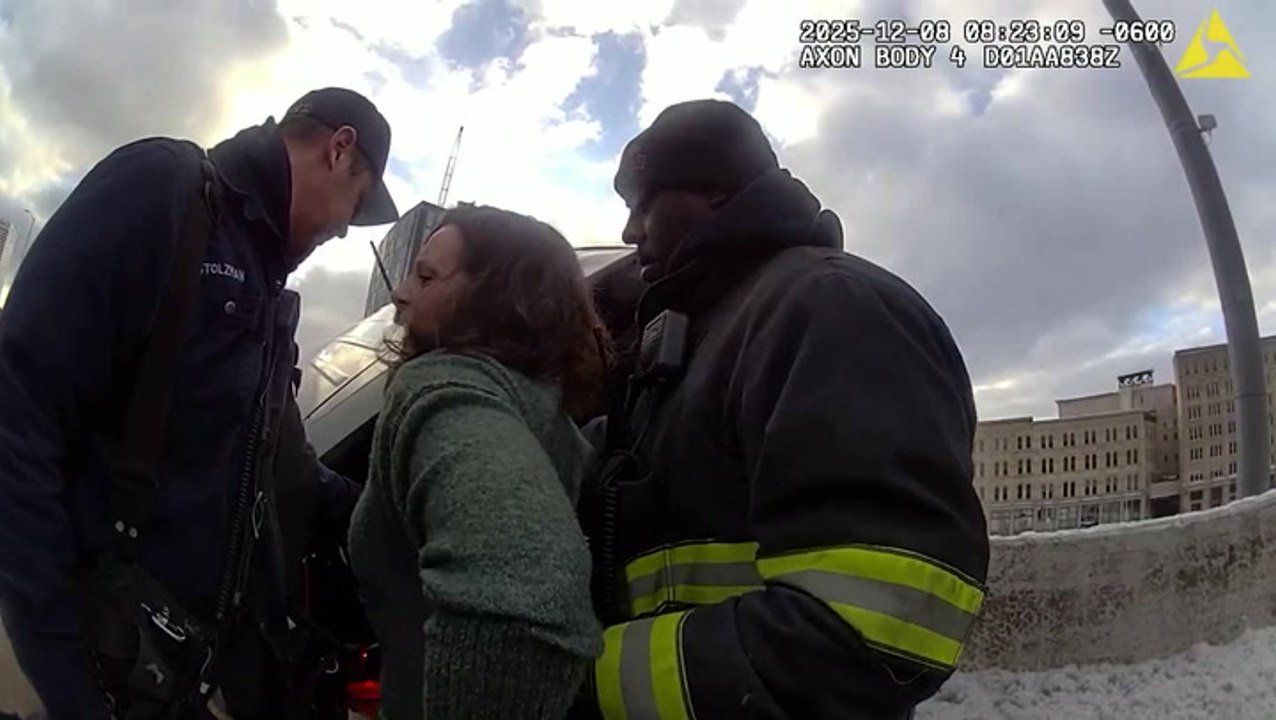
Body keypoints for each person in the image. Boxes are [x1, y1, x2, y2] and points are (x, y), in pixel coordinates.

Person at [570, 99, 991, 719]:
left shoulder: (830, 308)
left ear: (713, 193)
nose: (631, 233)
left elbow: (874, 628)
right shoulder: (706, 330)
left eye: (644, 204)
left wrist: (578, 681)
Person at [0, 87, 399, 720]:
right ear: (339, 149)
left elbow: (279, 466)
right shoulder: (165, 190)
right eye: (357, 200)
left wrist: (395, 512)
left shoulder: (268, 283)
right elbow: (16, 408)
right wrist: (61, 670)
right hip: (83, 659)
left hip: (168, 671)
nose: (345, 228)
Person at [348, 204, 607, 719]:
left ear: (495, 300)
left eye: (425, 276)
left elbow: (524, 595)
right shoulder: (542, 409)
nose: (401, 291)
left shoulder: (444, 385)